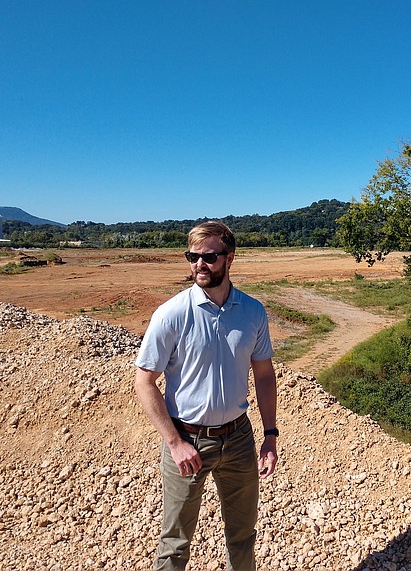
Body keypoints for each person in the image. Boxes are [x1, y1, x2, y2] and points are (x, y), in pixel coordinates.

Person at [135, 221, 278, 571]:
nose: (199, 264)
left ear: (230, 258)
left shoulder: (252, 312)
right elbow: (144, 382)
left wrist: (270, 435)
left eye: (209, 257)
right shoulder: (172, 314)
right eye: (192, 256)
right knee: (175, 543)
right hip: (187, 440)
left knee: (242, 536)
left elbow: (264, 374)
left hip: (239, 438)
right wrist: (174, 442)